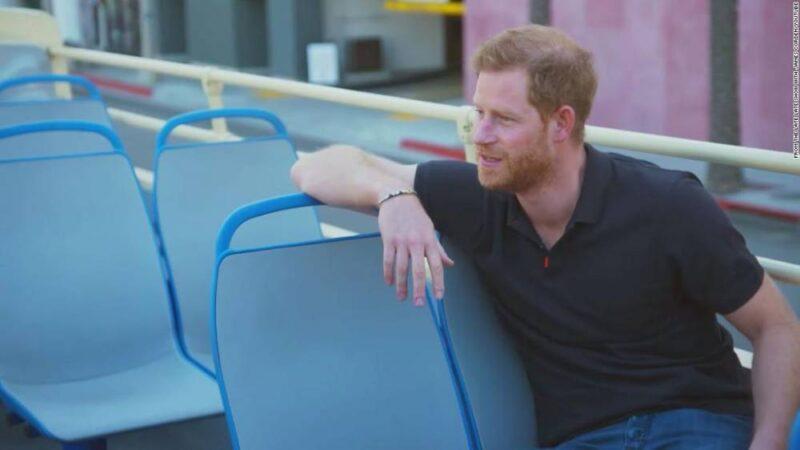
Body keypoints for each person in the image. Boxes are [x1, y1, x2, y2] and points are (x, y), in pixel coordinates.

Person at [290, 25, 800, 449]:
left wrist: (770, 441)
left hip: (697, 424)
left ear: (561, 123)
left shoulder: (668, 205)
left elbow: (776, 327)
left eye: (503, 119)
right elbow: (313, 167)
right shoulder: (477, 196)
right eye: (478, 113)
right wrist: (394, 196)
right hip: (583, 438)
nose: (479, 135)